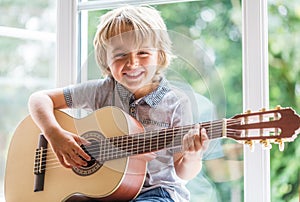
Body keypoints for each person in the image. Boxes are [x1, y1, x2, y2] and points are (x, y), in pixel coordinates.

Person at [28, 5, 208, 202]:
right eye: (121, 55)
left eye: (143, 53)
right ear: (106, 60)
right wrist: (54, 135)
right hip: (101, 192)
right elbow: (39, 99)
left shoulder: (176, 102)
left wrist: (192, 155)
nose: (132, 63)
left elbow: (183, 172)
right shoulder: (100, 91)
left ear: (160, 55)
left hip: (157, 192)